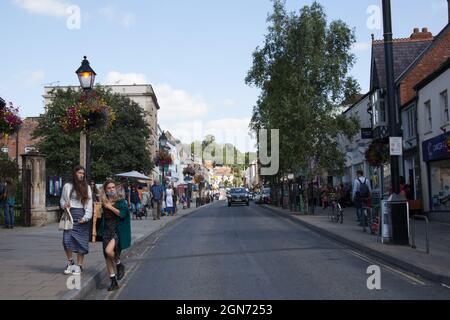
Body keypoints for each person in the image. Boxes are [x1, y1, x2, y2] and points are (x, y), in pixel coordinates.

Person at [98, 180, 131, 291]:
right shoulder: (103, 201)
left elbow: (122, 214)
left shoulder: (121, 201)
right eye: (109, 188)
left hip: (117, 230)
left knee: (108, 251)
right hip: (106, 230)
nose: (111, 189)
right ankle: (113, 282)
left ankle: (119, 263)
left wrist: (110, 207)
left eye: (113, 187)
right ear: (105, 190)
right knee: (107, 257)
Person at [60, 166, 93, 275]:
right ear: (75, 173)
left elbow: (89, 204)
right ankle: (70, 263)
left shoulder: (87, 187)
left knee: (80, 241)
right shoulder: (67, 186)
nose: (81, 175)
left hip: (81, 215)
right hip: (69, 215)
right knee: (66, 240)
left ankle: (79, 266)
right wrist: (64, 205)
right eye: (79, 173)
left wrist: (86, 217)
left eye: (83, 173)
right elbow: (62, 199)